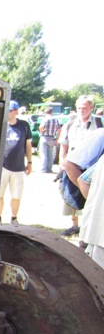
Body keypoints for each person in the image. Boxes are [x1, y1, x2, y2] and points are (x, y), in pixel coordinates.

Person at [57, 95, 103, 236]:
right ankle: (74, 225)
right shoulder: (70, 124)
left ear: (91, 108)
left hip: (92, 165)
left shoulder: (99, 123)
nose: (81, 110)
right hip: (73, 162)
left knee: (91, 199)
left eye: (84, 107)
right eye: (79, 108)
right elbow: (64, 146)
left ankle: (88, 227)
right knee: (72, 197)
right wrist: (62, 164)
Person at [0, 100, 33, 226]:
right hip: (3, 165)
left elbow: (28, 145)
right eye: (7, 110)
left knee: (16, 194)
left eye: (10, 110)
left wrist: (30, 162)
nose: (8, 113)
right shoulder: (2, 124)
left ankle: (14, 218)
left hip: (18, 166)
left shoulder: (23, 125)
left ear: (16, 111)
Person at [38, 107, 61, 173]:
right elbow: (59, 130)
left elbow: (41, 127)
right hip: (52, 137)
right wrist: (57, 139)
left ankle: (43, 169)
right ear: (52, 112)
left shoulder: (45, 119)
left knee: (43, 154)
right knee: (50, 155)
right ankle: (49, 169)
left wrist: (42, 131)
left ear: (46, 112)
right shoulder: (56, 120)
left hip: (44, 137)